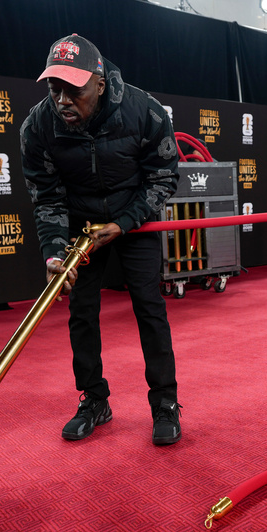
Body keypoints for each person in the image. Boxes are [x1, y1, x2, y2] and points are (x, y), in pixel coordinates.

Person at [20, 33, 182, 445]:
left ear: (100, 82)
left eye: (73, 91)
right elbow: (47, 197)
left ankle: (165, 402)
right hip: (80, 228)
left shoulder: (143, 110)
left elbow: (164, 177)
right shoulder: (38, 126)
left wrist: (125, 221)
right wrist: (55, 253)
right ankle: (94, 400)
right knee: (81, 313)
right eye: (55, 90)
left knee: (150, 307)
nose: (62, 101)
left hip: (135, 221)